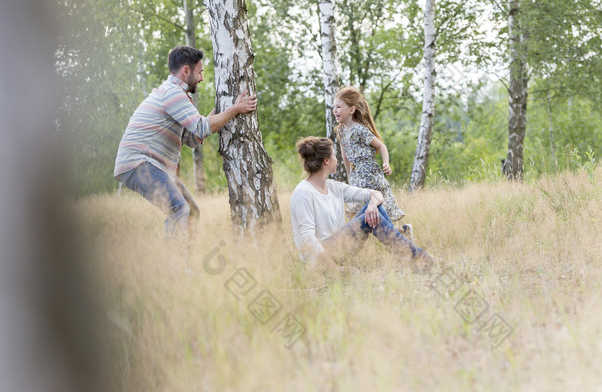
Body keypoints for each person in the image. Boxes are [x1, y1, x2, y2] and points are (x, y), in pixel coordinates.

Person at [114, 45, 256, 239]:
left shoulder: (175, 94)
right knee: (179, 209)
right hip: (140, 162)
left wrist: (221, 112)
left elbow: (191, 138)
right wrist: (235, 109)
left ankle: (185, 265)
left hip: (148, 164)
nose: (202, 78)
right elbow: (201, 127)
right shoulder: (172, 93)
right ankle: (175, 265)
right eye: (200, 72)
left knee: (191, 211)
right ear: (186, 71)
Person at [289, 136, 433, 274]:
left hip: (339, 248)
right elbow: (308, 239)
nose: (337, 159)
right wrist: (335, 270)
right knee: (368, 218)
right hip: (320, 260)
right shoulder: (303, 192)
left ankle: (406, 257)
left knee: (375, 208)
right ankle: (420, 258)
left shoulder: (333, 187)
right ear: (326, 160)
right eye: (334, 155)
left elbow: (376, 194)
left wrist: (371, 205)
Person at [333, 86, 413, 239]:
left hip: (371, 177)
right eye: (334, 107)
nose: (334, 110)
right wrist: (350, 177)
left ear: (351, 110)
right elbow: (345, 157)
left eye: (338, 107)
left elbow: (381, 146)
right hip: (357, 178)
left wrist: (386, 163)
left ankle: (400, 235)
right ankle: (402, 231)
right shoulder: (341, 131)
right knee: (359, 216)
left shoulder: (360, 130)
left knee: (376, 214)